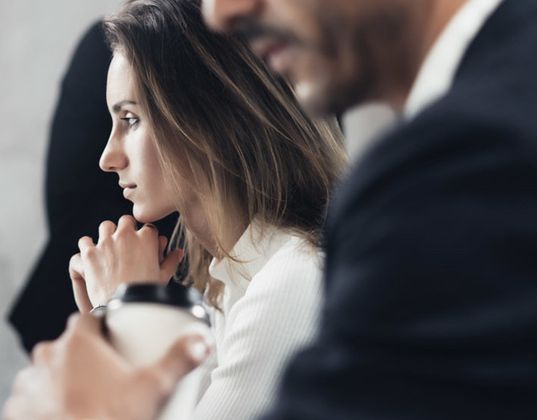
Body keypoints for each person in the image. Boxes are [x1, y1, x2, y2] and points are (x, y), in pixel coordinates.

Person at [4, 0, 537, 418]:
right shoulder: (220, 282)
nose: (224, 12)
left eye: (132, 119)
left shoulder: (467, 163)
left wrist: (122, 335)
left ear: (211, 116)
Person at [30, 0, 346, 417]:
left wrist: (126, 312)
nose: (108, 158)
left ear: (208, 119)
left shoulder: (289, 285)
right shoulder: (227, 288)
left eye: (131, 119)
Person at [8, 21, 178, 353]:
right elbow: (68, 198)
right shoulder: (112, 46)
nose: (108, 159)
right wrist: (121, 296)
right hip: (100, 290)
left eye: (131, 120)